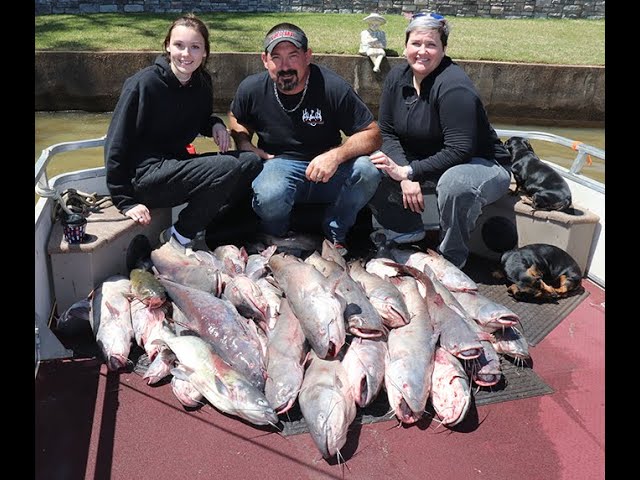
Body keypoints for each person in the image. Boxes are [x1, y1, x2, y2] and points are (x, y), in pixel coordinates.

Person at [104, 14, 262, 248]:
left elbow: (199, 120)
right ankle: (177, 238)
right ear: (168, 46)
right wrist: (125, 201)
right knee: (226, 166)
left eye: (195, 47)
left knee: (250, 161)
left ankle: (214, 227)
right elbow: (115, 142)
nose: (186, 54)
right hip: (145, 177)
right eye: (179, 45)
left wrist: (215, 124)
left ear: (205, 52)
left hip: (177, 166)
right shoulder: (143, 84)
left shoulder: (202, 83)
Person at [368, 12, 512, 269]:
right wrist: (404, 173)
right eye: (416, 43)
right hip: (421, 162)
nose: (422, 51)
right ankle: (405, 233)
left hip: (481, 164)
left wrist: (410, 172)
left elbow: (460, 149)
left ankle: (450, 260)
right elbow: (386, 132)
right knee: (368, 163)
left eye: (431, 44)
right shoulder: (396, 79)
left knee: (456, 184)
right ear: (405, 46)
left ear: (443, 50)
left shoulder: (455, 87)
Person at [228, 22, 382, 256]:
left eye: (293, 56)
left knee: (368, 169)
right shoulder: (251, 88)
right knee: (269, 192)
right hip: (278, 164)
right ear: (264, 60)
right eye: (276, 57)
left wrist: (336, 155)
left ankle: (335, 234)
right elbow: (236, 116)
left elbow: (373, 133)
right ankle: (276, 237)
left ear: (308, 56)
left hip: (329, 169)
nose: (285, 66)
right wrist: (244, 143)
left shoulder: (333, 86)